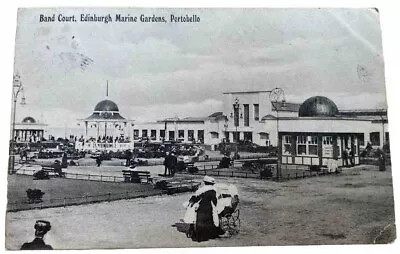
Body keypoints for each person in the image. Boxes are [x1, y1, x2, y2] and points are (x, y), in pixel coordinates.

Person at [186, 176, 222, 242]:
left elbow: (194, 198)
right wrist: (216, 207)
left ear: (205, 182)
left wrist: (191, 203)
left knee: (201, 221)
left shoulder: (201, 189)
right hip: (208, 207)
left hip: (201, 207)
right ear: (211, 183)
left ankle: (200, 237)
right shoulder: (213, 190)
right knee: (209, 220)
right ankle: (210, 235)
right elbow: (215, 200)